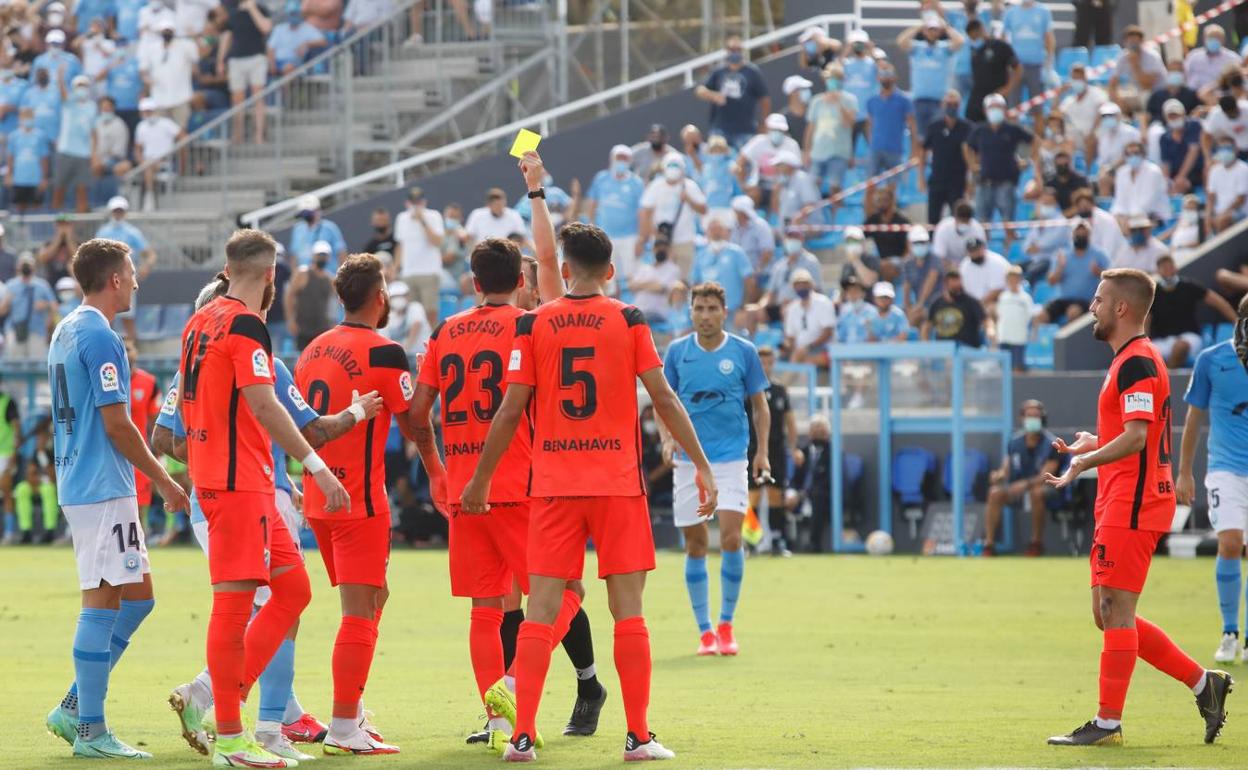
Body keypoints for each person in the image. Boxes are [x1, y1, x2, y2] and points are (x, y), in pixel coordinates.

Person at [461, 217, 718, 761]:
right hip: (618, 484)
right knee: (628, 612)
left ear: (566, 270)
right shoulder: (628, 318)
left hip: (553, 486)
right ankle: (639, 736)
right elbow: (665, 398)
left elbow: (510, 410)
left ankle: (523, 736)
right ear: (610, 270)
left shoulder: (534, 324)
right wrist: (702, 465)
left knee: (539, 611)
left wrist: (480, 478)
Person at [160, 272, 378, 760]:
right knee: (259, 610)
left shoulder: (191, 364)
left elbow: (166, 440)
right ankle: (252, 721)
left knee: (287, 594)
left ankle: (251, 708)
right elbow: (314, 430)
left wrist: (208, 456)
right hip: (246, 493)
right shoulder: (264, 361)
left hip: (219, 495)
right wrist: (359, 413)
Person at [1044, 268, 1231, 747]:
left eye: (1100, 299)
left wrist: (1086, 459)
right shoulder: (1129, 359)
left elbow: (1138, 436)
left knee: (1115, 609)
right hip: (1121, 497)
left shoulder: (1137, 361)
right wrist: (1096, 440)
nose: (1092, 306)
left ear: (1121, 308)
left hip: (1134, 500)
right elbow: (1130, 432)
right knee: (1107, 614)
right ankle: (1203, 683)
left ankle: (1108, 724)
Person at [43, 238, 189, 759]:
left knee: (139, 599)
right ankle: (91, 732)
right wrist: (167, 480)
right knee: (102, 599)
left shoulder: (66, 328)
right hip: (100, 485)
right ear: (114, 280)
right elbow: (117, 424)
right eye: (131, 273)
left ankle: (74, 706)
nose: (136, 281)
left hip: (86, 482)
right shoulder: (100, 336)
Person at [293, 253, 412, 755]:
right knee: (359, 612)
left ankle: (354, 709)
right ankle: (343, 726)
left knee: (374, 597)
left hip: (319, 497)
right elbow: (416, 421)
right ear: (379, 297)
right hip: (360, 502)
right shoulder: (386, 352)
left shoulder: (312, 350)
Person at [660, 281, 769, 654]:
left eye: (712, 309)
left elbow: (760, 406)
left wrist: (762, 452)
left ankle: (726, 624)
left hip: (730, 458)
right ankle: (704, 631)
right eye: (699, 309)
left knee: (732, 538)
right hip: (688, 461)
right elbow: (663, 401)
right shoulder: (677, 352)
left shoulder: (743, 351)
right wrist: (667, 437)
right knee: (695, 545)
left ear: (725, 312)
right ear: (691, 312)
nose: (705, 316)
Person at [1177, 296, 1248, 664]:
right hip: (1226, 468)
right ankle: (1229, 631)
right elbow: (1193, 418)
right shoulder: (1212, 359)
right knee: (1231, 543)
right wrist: (1185, 470)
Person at [983, 399, 1059, 556]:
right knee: (995, 493)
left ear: (1042, 419)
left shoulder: (1052, 443)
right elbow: (1006, 469)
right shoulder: (1014, 442)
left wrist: (1025, 484)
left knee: (1036, 492)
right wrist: (998, 476)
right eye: (1029, 416)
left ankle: (1036, 544)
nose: (1033, 420)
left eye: (1036, 416)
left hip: (1047, 490)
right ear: (1022, 419)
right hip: (1016, 489)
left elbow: (1046, 475)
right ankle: (989, 545)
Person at [746, 344, 798, 554]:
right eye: (762, 362)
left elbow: (790, 421)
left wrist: (794, 448)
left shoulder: (780, 391)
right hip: (751, 449)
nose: (765, 366)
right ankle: (751, 542)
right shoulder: (747, 390)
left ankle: (778, 541)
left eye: (769, 363)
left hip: (775, 449)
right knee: (752, 497)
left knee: (777, 495)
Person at [1150, 254, 1237, 368]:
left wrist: (1236, 321)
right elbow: (1146, 319)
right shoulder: (1152, 293)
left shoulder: (1189, 286)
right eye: (1164, 267)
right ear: (1158, 270)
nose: (1167, 270)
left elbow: (1218, 302)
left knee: (1180, 347)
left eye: (1170, 267)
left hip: (1190, 337)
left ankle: (1166, 380)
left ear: (1175, 268)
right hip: (1163, 341)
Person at [637, 153, 708, 280]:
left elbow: (703, 209)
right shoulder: (656, 185)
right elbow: (645, 212)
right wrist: (651, 234)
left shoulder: (689, 186)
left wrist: (688, 199)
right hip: (662, 241)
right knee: (662, 279)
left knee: (683, 279)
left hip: (684, 240)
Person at [966, 93, 1032, 229]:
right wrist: (972, 165)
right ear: (985, 110)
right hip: (985, 182)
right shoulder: (980, 130)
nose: (995, 111)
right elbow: (967, 146)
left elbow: (1033, 141)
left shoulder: (1012, 129)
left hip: (1007, 182)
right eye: (992, 107)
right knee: (982, 224)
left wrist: (1027, 160)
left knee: (1008, 223)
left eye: (999, 107)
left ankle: (1009, 249)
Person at [584, 144, 645, 288]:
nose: (621, 161)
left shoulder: (636, 183)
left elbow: (642, 212)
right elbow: (592, 204)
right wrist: (590, 227)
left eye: (625, 158)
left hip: (629, 237)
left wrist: (641, 239)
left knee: (631, 278)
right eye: (619, 158)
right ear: (612, 159)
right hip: (605, 237)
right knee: (607, 278)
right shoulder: (601, 179)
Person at [694, 35, 769, 148]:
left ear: (742, 51)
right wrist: (713, 95)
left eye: (738, 49)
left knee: (744, 164)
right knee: (717, 161)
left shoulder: (752, 72)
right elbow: (700, 91)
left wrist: (763, 124)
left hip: (745, 130)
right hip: (720, 129)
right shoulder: (719, 72)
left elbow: (765, 99)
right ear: (727, 51)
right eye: (732, 49)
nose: (735, 52)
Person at [896, 16, 962, 134]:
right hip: (919, 100)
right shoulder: (917, 48)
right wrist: (920, 26)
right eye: (930, 29)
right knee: (919, 137)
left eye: (935, 29)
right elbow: (901, 41)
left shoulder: (944, 48)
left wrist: (945, 27)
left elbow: (960, 41)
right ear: (925, 31)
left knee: (937, 135)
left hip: (939, 101)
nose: (932, 32)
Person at [219, 0, 270, 143]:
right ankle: (238, 134)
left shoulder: (260, 8)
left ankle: (259, 135)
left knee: (258, 97)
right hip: (236, 59)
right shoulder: (233, 12)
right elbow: (226, 37)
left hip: (256, 57)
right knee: (237, 99)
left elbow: (265, 28)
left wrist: (252, 9)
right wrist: (221, 60)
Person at [1040, 218, 1108, 325]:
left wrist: (1098, 272)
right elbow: (1051, 282)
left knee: (1073, 312)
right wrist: (1060, 268)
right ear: (1072, 235)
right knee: (1041, 316)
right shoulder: (1062, 255)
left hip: (1085, 301)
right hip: (1063, 300)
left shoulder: (1099, 255)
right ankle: (1039, 341)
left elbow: (1110, 279)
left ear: (1089, 235)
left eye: (1083, 234)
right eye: (1078, 234)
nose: (1080, 237)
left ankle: (1068, 342)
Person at [393, 186, 445, 324]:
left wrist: (422, 221)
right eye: (413, 202)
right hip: (408, 273)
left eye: (418, 202)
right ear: (407, 203)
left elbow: (437, 241)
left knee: (430, 314)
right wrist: (396, 269)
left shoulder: (434, 216)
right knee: (410, 315)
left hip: (429, 272)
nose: (416, 206)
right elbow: (400, 245)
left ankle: (434, 344)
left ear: (424, 202)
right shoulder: (401, 218)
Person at [804, 62, 857, 197]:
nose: (832, 82)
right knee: (812, 188)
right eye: (830, 78)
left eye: (836, 78)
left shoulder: (850, 100)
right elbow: (810, 128)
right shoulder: (816, 101)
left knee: (835, 189)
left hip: (839, 153)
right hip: (818, 153)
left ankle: (836, 216)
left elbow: (849, 124)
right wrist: (806, 151)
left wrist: (838, 102)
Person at [920, 89, 971, 224]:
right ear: (943, 105)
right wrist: (921, 177)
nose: (952, 108)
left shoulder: (966, 128)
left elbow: (972, 155)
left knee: (958, 218)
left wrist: (970, 181)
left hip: (957, 181)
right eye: (949, 104)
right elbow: (923, 151)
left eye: (955, 104)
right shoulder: (934, 126)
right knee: (933, 220)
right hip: (937, 180)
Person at [690, 215, 754, 319]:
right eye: (712, 229)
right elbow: (695, 284)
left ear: (726, 232)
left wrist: (743, 307)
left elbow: (749, 281)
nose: (716, 232)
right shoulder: (701, 255)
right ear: (707, 233)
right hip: (708, 313)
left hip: (733, 310)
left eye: (719, 229)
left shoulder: (736, 252)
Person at [1001, 0, 1054, 117]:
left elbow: (1048, 37)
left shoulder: (1043, 11)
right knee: (1012, 108)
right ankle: (1012, 135)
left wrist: (1049, 62)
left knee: (1037, 107)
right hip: (1014, 67)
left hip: (1036, 65)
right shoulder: (1011, 12)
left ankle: (1038, 135)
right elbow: (1003, 37)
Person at [52, 74, 95, 212]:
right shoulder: (69, 102)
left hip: (84, 154)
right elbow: (63, 93)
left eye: (84, 86)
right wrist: (60, 79)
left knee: (82, 191)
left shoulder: (92, 106)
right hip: (65, 151)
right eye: (79, 86)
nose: (81, 89)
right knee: (59, 189)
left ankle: (81, 229)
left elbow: (93, 132)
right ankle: (57, 226)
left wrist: (94, 154)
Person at [864, 61, 917, 176]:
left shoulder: (904, 100)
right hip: (875, 150)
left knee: (893, 188)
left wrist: (913, 151)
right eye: (883, 74)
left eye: (888, 74)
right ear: (878, 77)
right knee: (870, 187)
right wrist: (872, 143)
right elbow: (869, 125)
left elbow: (912, 127)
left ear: (894, 77)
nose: (886, 78)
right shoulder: (872, 100)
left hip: (895, 150)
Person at [132, 97, 184, 211]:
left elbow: (182, 137)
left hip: (166, 161)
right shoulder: (141, 126)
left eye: (149, 111)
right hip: (147, 163)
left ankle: (149, 199)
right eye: (145, 111)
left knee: (148, 166)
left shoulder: (166, 123)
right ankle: (149, 197)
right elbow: (137, 149)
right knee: (147, 166)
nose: (147, 114)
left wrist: (172, 154)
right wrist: (141, 161)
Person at [965, 18, 1020, 124]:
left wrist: (1007, 89)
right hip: (977, 96)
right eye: (971, 37)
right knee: (972, 124)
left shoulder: (1001, 46)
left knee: (996, 126)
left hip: (995, 96)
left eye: (974, 35)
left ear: (980, 30)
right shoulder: (974, 50)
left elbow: (1018, 69)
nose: (973, 39)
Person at [739, 113, 801, 202]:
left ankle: (774, 215)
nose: (777, 132)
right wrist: (744, 185)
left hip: (783, 185)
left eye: (780, 130)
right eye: (774, 129)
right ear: (768, 128)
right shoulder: (758, 141)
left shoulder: (792, 145)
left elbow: (796, 168)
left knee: (778, 193)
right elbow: (740, 161)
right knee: (753, 193)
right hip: (759, 183)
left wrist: (782, 183)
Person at [5, 253, 57, 360]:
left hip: (36, 330)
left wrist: (45, 305)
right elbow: (2, 310)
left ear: (34, 266)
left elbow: (54, 306)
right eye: (23, 264)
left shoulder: (42, 285)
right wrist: (6, 302)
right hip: (15, 330)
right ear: (17, 266)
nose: (25, 267)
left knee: (37, 365)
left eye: (28, 263)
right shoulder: (10, 285)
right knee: (15, 366)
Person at [285, 239, 334, 350]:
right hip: (303, 328)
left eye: (324, 255)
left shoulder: (330, 279)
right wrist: (291, 319)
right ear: (313, 256)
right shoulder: (302, 274)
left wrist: (333, 322)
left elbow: (334, 303)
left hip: (323, 328)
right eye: (319, 255)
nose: (322, 258)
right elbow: (289, 296)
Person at [783, 269, 836, 367]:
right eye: (798, 284)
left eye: (804, 283)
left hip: (822, 348)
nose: (801, 287)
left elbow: (828, 332)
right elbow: (790, 337)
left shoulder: (823, 302)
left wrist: (808, 347)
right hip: (800, 351)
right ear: (793, 287)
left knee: (800, 361)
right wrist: (787, 347)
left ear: (811, 284)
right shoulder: (792, 308)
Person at [1109, 141, 1169, 226]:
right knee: (1112, 221)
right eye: (1129, 154)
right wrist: (1117, 214)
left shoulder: (1153, 172)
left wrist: (1130, 217)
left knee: (1133, 225)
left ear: (1143, 154)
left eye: (1136, 153)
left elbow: (1149, 202)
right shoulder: (1121, 173)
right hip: (1128, 216)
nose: (1133, 157)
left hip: (1154, 215)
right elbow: (1119, 201)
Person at [1109, 26, 1164, 116]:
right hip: (1138, 92)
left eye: (1135, 42)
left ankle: (1146, 122)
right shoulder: (1122, 57)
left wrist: (1135, 66)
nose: (1132, 45)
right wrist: (1118, 100)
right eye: (1130, 42)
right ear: (1125, 42)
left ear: (1141, 42)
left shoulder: (1152, 56)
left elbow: (1147, 85)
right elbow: (1112, 83)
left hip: (1157, 93)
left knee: (1146, 96)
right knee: (1110, 100)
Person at [5, 106, 51, 213]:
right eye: (25, 116)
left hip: (36, 179)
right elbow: (10, 157)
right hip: (19, 179)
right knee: (20, 206)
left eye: (29, 116)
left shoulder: (40, 135)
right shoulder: (13, 136)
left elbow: (44, 158)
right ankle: (21, 229)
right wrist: (9, 174)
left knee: (37, 206)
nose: (27, 119)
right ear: (20, 119)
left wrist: (44, 178)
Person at [288, 193, 347, 271]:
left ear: (318, 210)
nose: (306, 216)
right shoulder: (298, 229)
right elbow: (294, 256)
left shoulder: (330, 228)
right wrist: (295, 277)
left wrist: (342, 278)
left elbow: (341, 253)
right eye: (304, 213)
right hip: (304, 279)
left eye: (308, 213)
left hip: (329, 277)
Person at [926, 270, 984, 347]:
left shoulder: (971, 302)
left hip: (967, 349)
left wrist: (991, 332)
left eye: (958, 281)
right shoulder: (937, 303)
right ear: (946, 284)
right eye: (953, 283)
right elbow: (926, 327)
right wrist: (927, 345)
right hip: (943, 350)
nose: (957, 285)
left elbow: (985, 321)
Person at [1093, 103, 1139, 197]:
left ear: (1119, 116)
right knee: (1099, 179)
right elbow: (1102, 160)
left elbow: (1132, 155)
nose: (1107, 118)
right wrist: (1104, 170)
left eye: (1111, 115)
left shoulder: (1130, 132)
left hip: (1130, 169)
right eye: (1104, 116)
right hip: (1111, 172)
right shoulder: (1103, 136)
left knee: (1105, 179)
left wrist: (1111, 168)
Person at [996, 266, 1036, 372]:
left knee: (1018, 367)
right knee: (1004, 367)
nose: (1013, 281)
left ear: (1020, 279)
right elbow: (999, 315)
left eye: (1015, 278)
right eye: (1010, 278)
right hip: (1004, 337)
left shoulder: (1026, 298)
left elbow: (1030, 316)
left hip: (1019, 337)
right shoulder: (1003, 297)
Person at [1158, 99, 1203, 195]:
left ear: (1183, 114)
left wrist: (1181, 176)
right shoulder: (1164, 137)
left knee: (1182, 184)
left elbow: (1193, 151)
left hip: (1195, 171)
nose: (1174, 118)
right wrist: (1166, 182)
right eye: (1171, 116)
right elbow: (1165, 163)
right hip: (1175, 173)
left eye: (1176, 115)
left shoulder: (1193, 125)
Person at [1206, 136, 1248, 235]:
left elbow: (1241, 200)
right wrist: (1208, 216)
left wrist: (1222, 214)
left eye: (1227, 148)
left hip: (1240, 212)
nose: (1224, 152)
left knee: (1223, 220)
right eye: (1221, 149)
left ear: (1235, 149)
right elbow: (1211, 198)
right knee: (1203, 219)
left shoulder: (1243, 169)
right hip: (1220, 212)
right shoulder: (1214, 170)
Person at [1184, 24, 1239, 94]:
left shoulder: (1232, 58)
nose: (1214, 40)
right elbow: (1185, 76)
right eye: (1211, 37)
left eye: (1217, 37)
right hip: (1195, 96)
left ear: (1223, 40)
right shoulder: (1194, 57)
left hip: (1223, 96)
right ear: (1204, 39)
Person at [959, 236, 1010, 306]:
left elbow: (997, 291)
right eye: (972, 251)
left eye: (977, 250)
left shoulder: (996, 262)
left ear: (983, 248)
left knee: (991, 308)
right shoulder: (965, 265)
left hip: (1000, 302)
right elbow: (963, 289)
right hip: (975, 304)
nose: (975, 253)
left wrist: (978, 307)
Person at [1146, 61, 1199, 125]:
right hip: (1161, 126)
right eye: (1173, 71)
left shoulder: (1191, 94)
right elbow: (1148, 115)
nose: (1175, 74)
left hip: (1184, 127)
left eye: (1178, 71)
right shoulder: (1157, 95)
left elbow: (1196, 112)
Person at [780, 75, 812, 145]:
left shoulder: (813, 113)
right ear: (793, 93)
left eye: (806, 88)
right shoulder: (783, 119)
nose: (807, 91)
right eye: (803, 89)